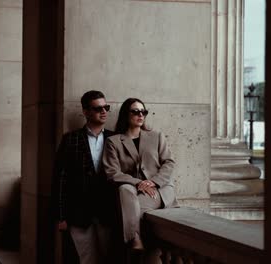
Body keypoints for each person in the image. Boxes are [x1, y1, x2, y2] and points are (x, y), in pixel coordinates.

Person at [102, 98, 178, 251]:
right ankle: (135, 237)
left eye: (143, 111)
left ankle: (132, 239)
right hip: (131, 189)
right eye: (135, 111)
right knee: (124, 190)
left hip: (158, 190)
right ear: (125, 114)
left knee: (131, 208)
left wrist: (153, 182)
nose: (140, 114)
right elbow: (112, 172)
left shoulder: (156, 136)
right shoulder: (113, 141)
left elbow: (168, 162)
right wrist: (138, 182)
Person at [53, 90, 115, 264]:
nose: (104, 112)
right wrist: (61, 216)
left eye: (106, 107)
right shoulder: (70, 139)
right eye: (98, 108)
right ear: (86, 112)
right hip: (78, 212)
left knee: (109, 258)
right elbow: (60, 178)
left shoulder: (115, 138)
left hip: (107, 211)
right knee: (86, 259)